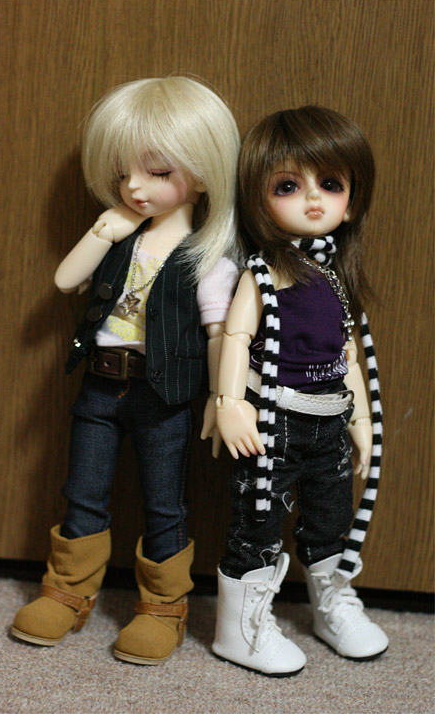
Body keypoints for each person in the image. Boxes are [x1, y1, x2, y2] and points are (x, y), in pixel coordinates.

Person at [12, 76, 241, 665]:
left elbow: (223, 335)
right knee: (83, 490)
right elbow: (66, 280)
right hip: (98, 386)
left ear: (203, 174)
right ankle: (67, 589)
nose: (134, 187)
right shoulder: (119, 238)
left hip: (164, 396)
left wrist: (224, 399)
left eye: (157, 172)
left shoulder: (206, 260)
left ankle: (163, 605)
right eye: (123, 173)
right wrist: (103, 229)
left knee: (165, 503)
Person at [208, 106, 388, 676]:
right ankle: (239, 629)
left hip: (330, 420)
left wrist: (362, 422)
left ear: (351, 201)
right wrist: (229, 403)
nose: (312, 199)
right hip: (274, 423)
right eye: (288, 186)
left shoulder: (338, 276)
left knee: (331, 516)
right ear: (260, 200)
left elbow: (348, 357)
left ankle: (331, 604)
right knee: (258, 520)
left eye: (330, 184)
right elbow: (236, 337)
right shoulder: (263, 273)